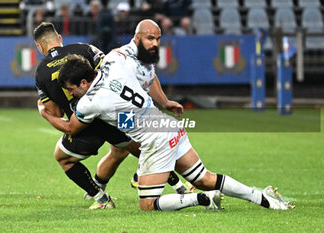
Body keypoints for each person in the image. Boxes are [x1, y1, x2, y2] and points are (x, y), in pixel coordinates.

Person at [39, 19, 295, 211]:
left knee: (148, 204)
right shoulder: (114, 61)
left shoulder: (89, 104)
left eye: (71, 89)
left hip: (155, 139)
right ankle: (263, 198)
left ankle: (203, 199)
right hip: (167, 124)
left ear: (83, 82)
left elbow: (71, 128)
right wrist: (163, 101)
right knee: (204, 177)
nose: (71, 95)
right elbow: (139, 57)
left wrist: (45, 114)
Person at [33, 22, 189, 208]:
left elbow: (56, 112)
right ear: (60, 39)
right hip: (114, 116)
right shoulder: (84, 49)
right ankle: (181, 187)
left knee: (63, 158)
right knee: (141, 148)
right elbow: (109, 70)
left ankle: (101, 199)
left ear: (39, 47)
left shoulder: (41, 72)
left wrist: (43, 112)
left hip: (84, 126)